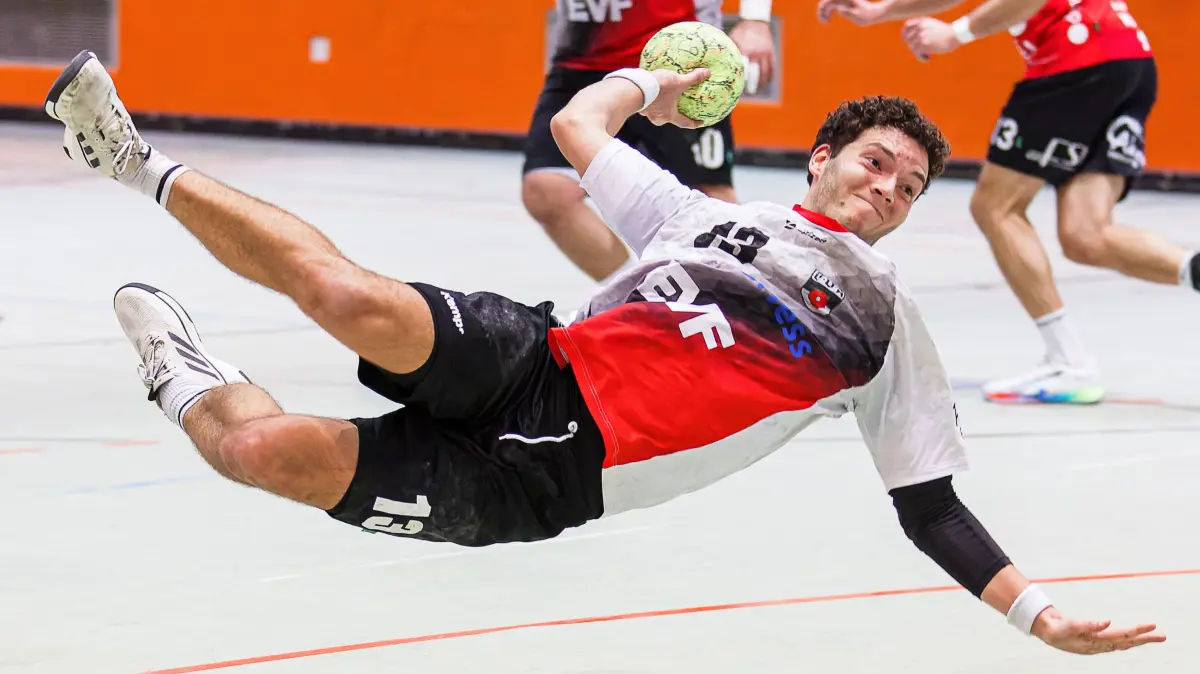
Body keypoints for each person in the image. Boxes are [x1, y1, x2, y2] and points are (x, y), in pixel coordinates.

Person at [47, 49, 1163, 654]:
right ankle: (134, 159)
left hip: (543, 481)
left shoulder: (882, 327)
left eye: (910, 189)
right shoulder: (697, 214)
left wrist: (1037, 612)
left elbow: (931, 507)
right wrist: (658, 86)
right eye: (875, 164)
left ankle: (181, 373)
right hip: (539, 359)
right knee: (346, 293)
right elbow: (584, 127)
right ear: (824, 158)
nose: (889, 191)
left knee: (265, 451)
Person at [818, 0, 1193, 404]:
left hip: (1077, 57)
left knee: (995, 205)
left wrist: (956, 33)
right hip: (1128, 60)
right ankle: (1196, 270)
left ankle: (1070, 361)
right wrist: (883, 10)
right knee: (1086, 234)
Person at [522, 0, 777, 283]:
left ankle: (750, 302)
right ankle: (634, 294)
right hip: (583, 59)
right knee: (547, 190)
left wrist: (755, 19)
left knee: (712, 201)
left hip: (677, 56)